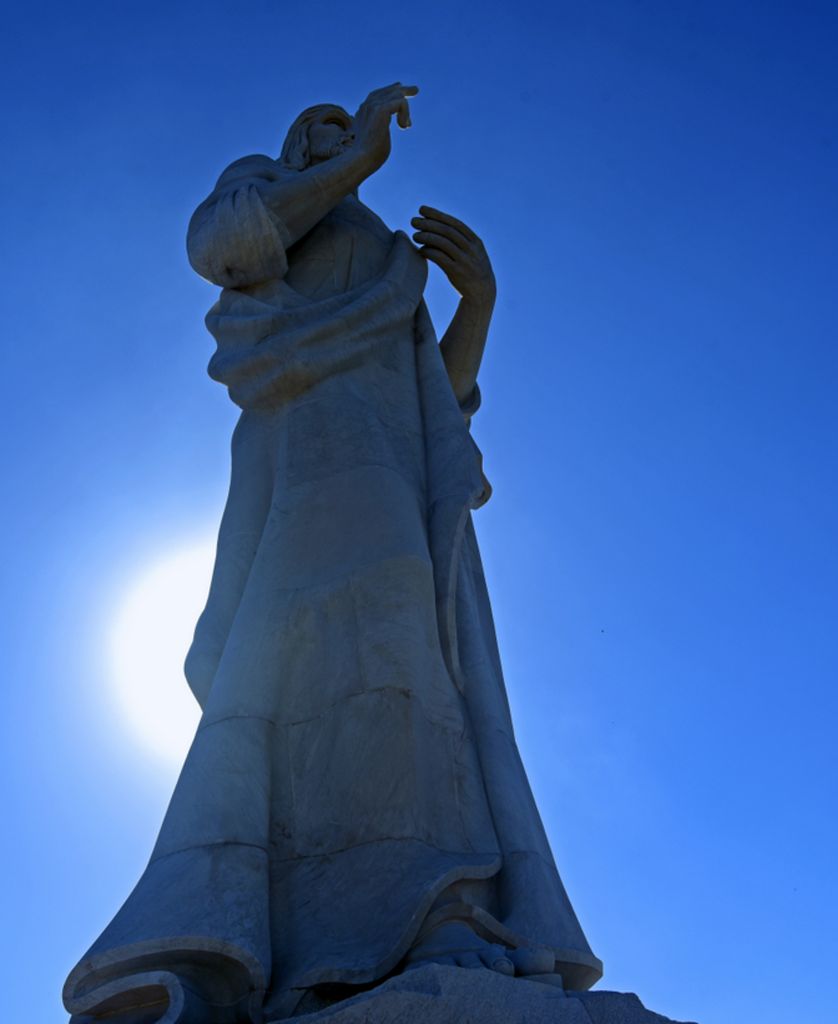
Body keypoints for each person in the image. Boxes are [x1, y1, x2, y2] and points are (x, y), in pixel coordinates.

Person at [63, 84, 601, 1023]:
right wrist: (356, 163)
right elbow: (224, 247)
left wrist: (479, 302)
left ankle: (431, 908)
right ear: (293, 142)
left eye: (345, 127)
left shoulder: (390, 256)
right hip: (309, 463)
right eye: (322, 124)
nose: (340, 128)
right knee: (303, 672)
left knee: (411, 669)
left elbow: (434, 395)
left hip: (395, 469)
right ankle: (284, 935)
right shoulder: (265, 191)